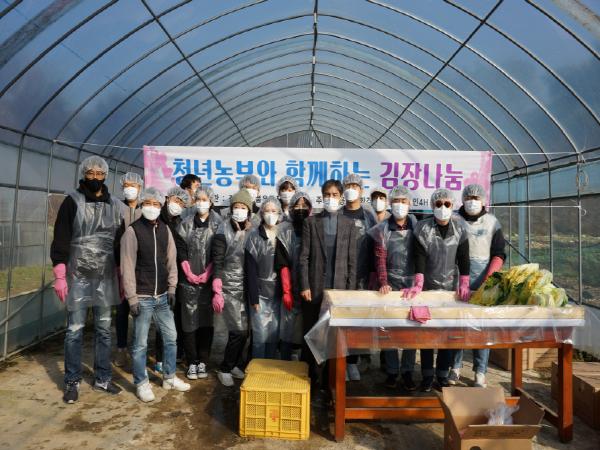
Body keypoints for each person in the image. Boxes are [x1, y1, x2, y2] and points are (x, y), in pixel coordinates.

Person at [50, 155, 124, 403]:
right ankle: (72, 380)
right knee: (74, 330)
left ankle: (102, 377)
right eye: (90, 173)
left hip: (105, 276)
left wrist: (120, 272)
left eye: (99, 173)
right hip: (78, 275)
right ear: (84, 174)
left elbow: (119, 241)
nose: (95, 177)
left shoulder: (115, 205)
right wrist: (60, 272)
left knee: (104, 329)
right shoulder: (72, 201)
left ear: (105, 176)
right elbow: (61, 236)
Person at [121, 187, 191, 402]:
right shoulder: (133, 231)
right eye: (148, 203)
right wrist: (131, 297)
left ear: (161, 206)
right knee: (140, 344)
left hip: (162, 296)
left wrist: (172, 287)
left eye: (156, 204)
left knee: (171, 337)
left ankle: (169, 377)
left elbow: (171, 261)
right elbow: (127, 265)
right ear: (142, 205)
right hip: (142, 296)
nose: (152, 207)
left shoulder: (165, 230)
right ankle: (141, 383)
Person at [404, 188, 470, 392]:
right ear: (432, 206)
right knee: (426, 333)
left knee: (446, 334)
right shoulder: (423, 228)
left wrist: (464, 282)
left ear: (452, 205)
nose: (443, 207)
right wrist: (419, 280)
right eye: (438, 204)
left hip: (450, 289)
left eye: (447, 204)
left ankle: (442, 375)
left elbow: (463, 257)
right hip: (427, 288)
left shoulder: (460, 228)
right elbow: (419, 256)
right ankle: (426, 375)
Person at [299, 179, 357, 384]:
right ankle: (310, 377)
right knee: (312, 333)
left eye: (334, 195)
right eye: (327, 195)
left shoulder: (349, 225)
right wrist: (304, 285)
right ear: (322, 196)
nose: (330, 198)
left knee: (334, 336)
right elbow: (304, 257)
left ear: (341, 197)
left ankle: (330, 380)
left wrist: (349, 293)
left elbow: (352, 262)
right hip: (314, 289)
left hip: (338, 291)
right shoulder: (311, 222)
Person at [450, 184, 506, 388]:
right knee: (457, 324)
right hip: (457, 278)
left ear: (483, 201)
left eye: (476, 198)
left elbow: (499, 253)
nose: (472, 201)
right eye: (468, 197)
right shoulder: (454, 219)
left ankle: (480, 371)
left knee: (482, 327)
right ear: (462, 199)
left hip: (483, 279)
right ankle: (454, 367)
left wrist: (489, 278)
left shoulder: (492, 222)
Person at [369, 186, 418, 390]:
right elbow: (379, 257)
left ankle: (407, 372)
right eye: (396, 201)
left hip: (413, 285)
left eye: (403, 201)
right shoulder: (382, 229)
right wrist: (383, 282)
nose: (399, 205)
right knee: (388, 328)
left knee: (412, 329)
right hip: (390, 284)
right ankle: (391, 371)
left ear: (410, 204)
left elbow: (422, 254)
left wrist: (419, 282)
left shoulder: (417, 226)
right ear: (390, 203)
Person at [176, 187, 222, 380]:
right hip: (187, 283)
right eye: (198, 199)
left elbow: (219, 251)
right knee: (189, 324)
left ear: (211, 202)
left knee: (206, 323)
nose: (201, 202)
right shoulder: (186, 223)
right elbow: (180, 248)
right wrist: (187, 270)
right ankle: (191, 362)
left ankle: (203, 360)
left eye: (205, 199)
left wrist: (209, 272)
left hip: (208, 283)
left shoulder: (219, 224)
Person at [211, 189, 254, 386]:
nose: (239, 210)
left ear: (249, 210)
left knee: (246, 331)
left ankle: (235, 363)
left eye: (243, 207)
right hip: (228, 286)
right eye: (236, 206)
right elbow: (218, 258)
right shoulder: (223, 229)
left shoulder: (252, 229)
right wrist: (217, 283)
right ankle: (225, 368)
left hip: (246, 286)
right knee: (238, 330)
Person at [342, 173, 377, 380]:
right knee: (341, 321)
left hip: (362, 275)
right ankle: (340, 362)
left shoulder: (368, 216)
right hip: (340, 275)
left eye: (355, 186)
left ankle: (352, 362)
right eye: (348, 186)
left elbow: (375, 246)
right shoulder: (337, 213)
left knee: (357, 322)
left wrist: (372, 273)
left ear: (361, 191)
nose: (351, 189)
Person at [154, 187, 190, 373]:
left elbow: (181, 246)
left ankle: (176, 353)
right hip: (157, 273)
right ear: (167, 198)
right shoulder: (156, 217)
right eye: (176, 200)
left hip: (176, 274)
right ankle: (160, 358)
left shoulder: (180, 223)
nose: (178, 205)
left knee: (176, 316)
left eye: (182, 203)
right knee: (162, 318)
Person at [275, 192, 312, 361]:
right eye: (297, 205)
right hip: (289, 285)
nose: (301, 209)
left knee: (306, 327)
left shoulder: (314, 227)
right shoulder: (284, 230)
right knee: (287, 328)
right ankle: (285, 359)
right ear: (291, 208)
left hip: (309, 287)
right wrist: (287, 290)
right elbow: (282, 263)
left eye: (304, 205)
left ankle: (302, 361)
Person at [245, 196, 283, 359]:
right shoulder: (254, 236)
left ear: (280, 213)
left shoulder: (283, 234)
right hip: (259, 293)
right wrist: (254, 298)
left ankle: (270, 365)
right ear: (261, 214)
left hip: (278, 293)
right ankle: (258, 366)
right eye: (267, 211)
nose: (270, 214)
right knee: (260, 335)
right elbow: (250, 270)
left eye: (274, 211)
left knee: (274, 333)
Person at [115, 172, 144, 368]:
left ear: (140, 188)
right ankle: (121, 349)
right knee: (121, 309)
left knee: (140, 310)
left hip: (141, 268)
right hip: (120, 266)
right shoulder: (117, 208)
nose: (130, 188)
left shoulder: (146, 209)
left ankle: (137, 350)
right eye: (126, 185)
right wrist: (117, 265)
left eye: (133, 185)